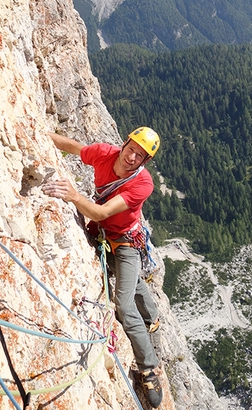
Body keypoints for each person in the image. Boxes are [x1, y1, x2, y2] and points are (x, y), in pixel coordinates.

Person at [43, 126, 163, 408]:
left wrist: (73, 196)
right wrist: (36, 128)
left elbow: (102, 212)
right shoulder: (103, 154)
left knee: (123, 303)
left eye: (140, 156)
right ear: (124, 144)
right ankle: (153, 316)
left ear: (144, 163)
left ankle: (149, 368)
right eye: (131, 149)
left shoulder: (142, 184)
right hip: (104, 232)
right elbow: (73, 146)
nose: (132, 157)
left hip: (126, 241)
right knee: (131, 282)